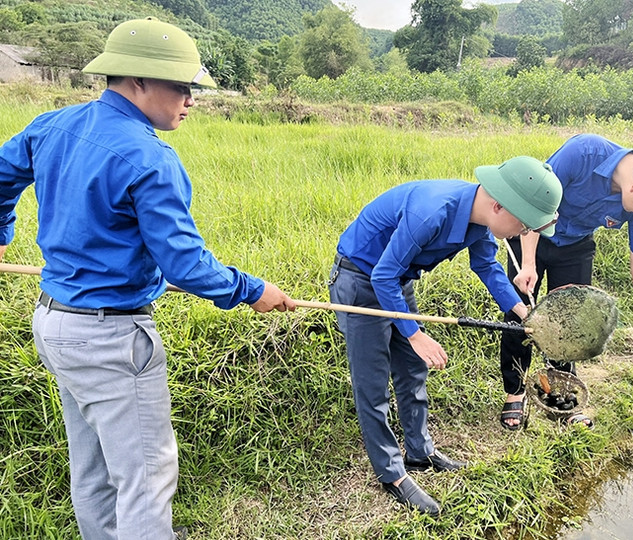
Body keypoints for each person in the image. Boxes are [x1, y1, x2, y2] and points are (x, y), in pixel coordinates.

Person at [0, 18, 295, 540]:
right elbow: (186, 264)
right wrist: (255, 291)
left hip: (53, 325)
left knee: (92, 466)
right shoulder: (149, 157)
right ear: (136, 80)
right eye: (181, 86)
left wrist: (2, 227)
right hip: (111, 340)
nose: (190, 100)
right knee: (145, 476)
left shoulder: (53, 125)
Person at [328, 156, 562, 515]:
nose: (521, 234)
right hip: (361, 279)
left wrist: (524, 313)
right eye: (524, 224)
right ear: (500, 206)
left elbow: (486, 266)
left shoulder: (481, 220)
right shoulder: (432, 211)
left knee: (412, 371)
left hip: (397, 280)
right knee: (373, 382)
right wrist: (415, 334)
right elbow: (381, 276)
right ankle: (391, 473)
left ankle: (420, 451)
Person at [499, 133, 633, 430]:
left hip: (575, 244)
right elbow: (535, 205)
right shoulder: (583, 153)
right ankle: (514, 392)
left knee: (571, 323)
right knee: (520, 317)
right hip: (531, 231)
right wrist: (528, 264)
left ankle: (563, 394)